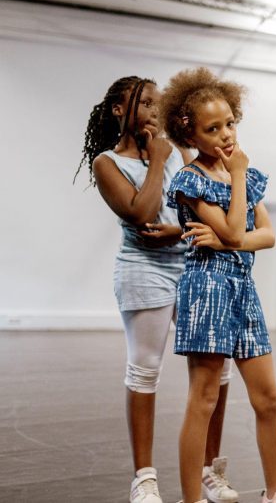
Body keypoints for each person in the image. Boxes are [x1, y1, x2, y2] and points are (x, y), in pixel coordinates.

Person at [77, 76, 236, 503]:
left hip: (192, 266)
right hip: (143, 270)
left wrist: (178, 230)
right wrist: (156, 160)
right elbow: (142, 215)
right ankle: (144, 479)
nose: (152, 109)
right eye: (143, 102)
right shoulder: (107, 162)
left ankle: (209, 470)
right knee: (145, 369)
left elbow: (201, 206)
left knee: (216, 371)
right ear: (118, 110)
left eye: (156, 103)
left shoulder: (177, 152)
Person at [162, 67, 276, 503]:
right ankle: (191, 498)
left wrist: (223, 237)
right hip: (207, 287)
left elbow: (267, 236)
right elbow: (240, 232)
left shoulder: (246, 176)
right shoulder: (191, 180)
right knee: (203, 399)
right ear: (190, 133)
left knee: (268, 397)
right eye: (211, 128)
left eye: (229, 123)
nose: (224, 135)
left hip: (242, 287)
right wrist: (237, 178)